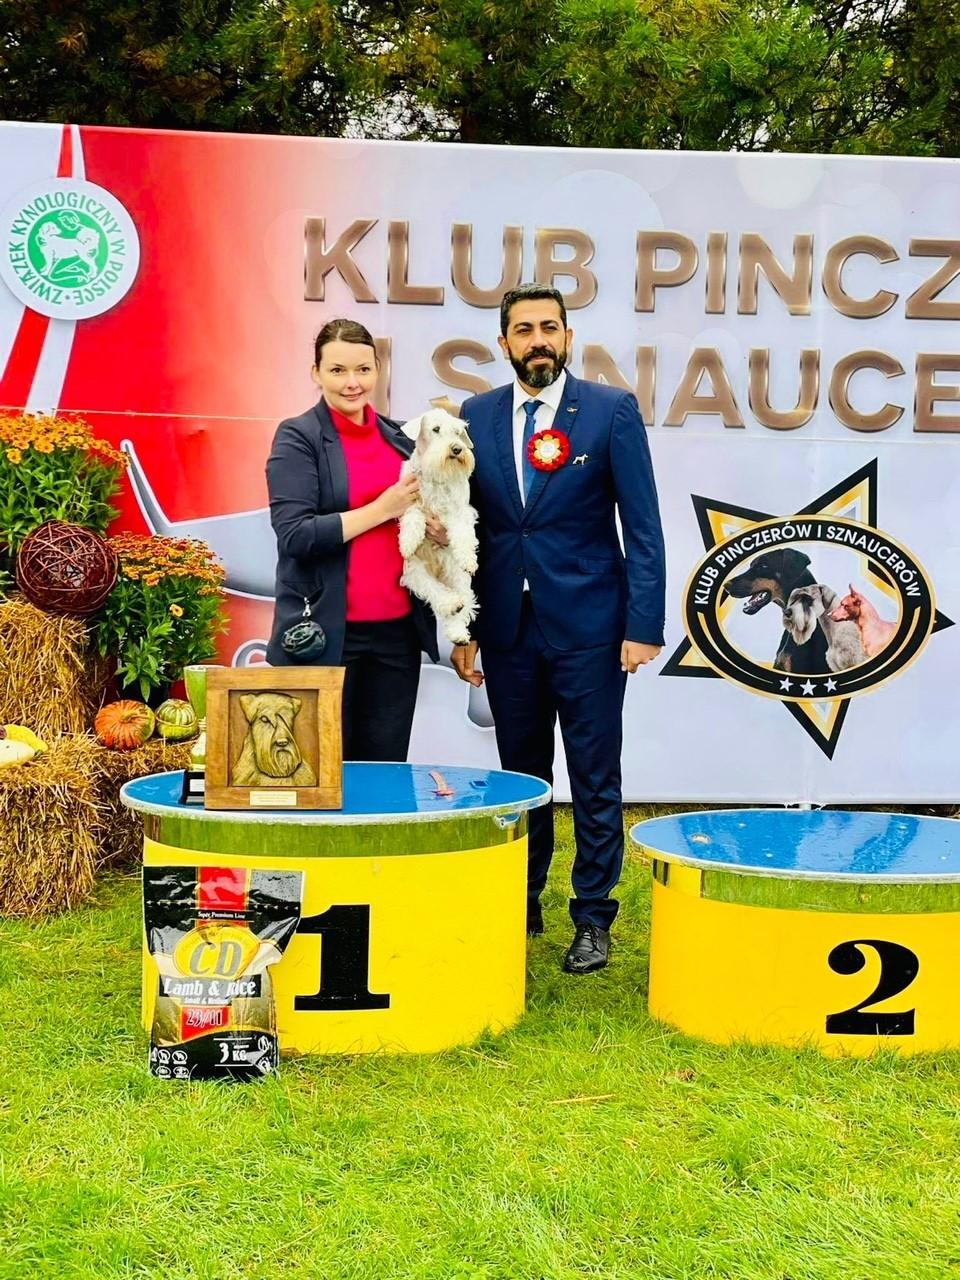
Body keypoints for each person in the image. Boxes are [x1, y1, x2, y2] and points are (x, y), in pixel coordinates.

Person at [452, 284, 666, 974]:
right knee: (521, 778)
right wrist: (463, 627)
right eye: (524, 329)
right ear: (504, 343)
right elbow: (467, 530)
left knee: (594, 776)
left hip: (592, 630)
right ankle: (522, 903)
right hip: (507, 631)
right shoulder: (475, 417)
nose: (538, 340)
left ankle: (594, 916)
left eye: (549, 327)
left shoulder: (609, 411)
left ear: (568, 337)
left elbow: (643, 527)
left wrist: (643, 624)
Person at [266, 318, 440, 761]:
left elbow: (424, 519)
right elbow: (296, 535)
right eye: (337, 370)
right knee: (320, 774)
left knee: (384, 772)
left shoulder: (403, 439)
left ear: (378, 369)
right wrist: (382, 508)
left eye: (363, 369)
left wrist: (438, 530)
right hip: (325, 637)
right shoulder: (298, 436)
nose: (352, 383)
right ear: (316, 372)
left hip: (398, 638)